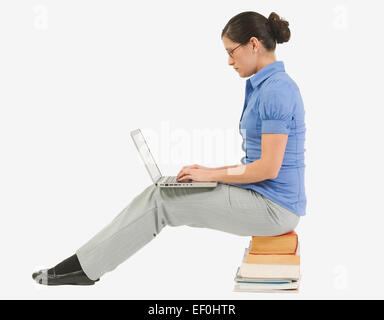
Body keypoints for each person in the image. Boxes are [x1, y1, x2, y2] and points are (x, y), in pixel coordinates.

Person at [32, 11, 306, 286]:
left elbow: (267, 168)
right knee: (162, 191)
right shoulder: (264, 85)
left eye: (231, 51)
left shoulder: (275, 91)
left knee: (163, 201)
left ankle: (84, 269)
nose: (229, 61)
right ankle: (86, 263)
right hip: (261, 196)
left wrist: (212, 176)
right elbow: (258, 164)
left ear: (254, 44)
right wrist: (208, 171)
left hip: (274, 209)